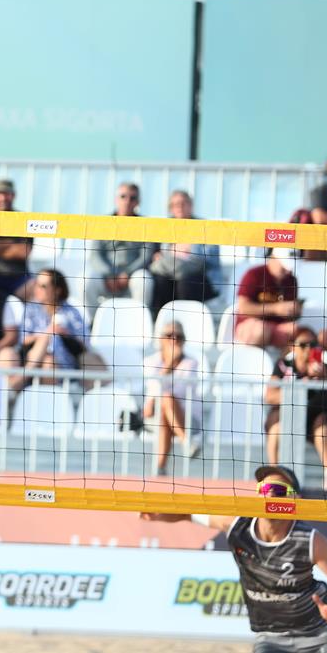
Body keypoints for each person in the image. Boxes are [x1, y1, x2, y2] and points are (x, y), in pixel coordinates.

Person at [141, 466, 327, 653]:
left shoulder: (310, 540)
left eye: (278, 490)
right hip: (272, 636)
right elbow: (187, 514)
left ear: (295, 500)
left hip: (317, 629)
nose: (269, 495)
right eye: (264, 489)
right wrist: (157, 514)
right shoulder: (237, 526)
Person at [265, 326, 327, 475]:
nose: (308, 349)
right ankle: (274, 475)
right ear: (293, 347)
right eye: (303, 345)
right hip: (287, 416)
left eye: (312, 345)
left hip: (314, 419)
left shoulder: (325, 369)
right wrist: (298, 389)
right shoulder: (282, 366)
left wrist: (325, 378)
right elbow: (270, 396)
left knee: (323, 427)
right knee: (276, 427)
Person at [142, 320, 201, 475]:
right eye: (169, 335)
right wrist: (169, 363)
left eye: (178, 337)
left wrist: (156, 398)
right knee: (165, 406)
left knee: (166, 402)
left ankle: (159, 469)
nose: (174, 340)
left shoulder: (191, 363)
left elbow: (181, 392)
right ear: (161, 339)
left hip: (187, 419)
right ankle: (186, 442)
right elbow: (154, 386)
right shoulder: (150, 361)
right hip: (154, 418)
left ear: (184, 341)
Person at [147, 190, 220, 315]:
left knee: (186, 282)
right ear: (170, 208)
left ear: (190, 205)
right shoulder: (163, 227)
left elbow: (211, 260)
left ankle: (186, 319)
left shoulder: (205, 226)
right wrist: (173, 253)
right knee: (160, 280)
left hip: (199, 278)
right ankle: (161, 320)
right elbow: (155, 255)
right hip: (169, 275)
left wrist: (191, 249)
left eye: (183, 203)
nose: (180, 207)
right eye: (175, 204)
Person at [84, 182, 154, 311]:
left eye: (132, 198)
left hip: (132, 277)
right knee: (86, 280)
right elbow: (95, 254)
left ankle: (140, 319)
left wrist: (127, 273)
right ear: (116, 199)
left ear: (138, 202)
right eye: (123, 196)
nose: (127, 201)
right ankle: (92, 320)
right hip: (106, 277)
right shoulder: (103, 223)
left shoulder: (146, 224)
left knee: (144, 280)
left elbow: (146, 256)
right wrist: (109, 274)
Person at [17, 269, 89, 391]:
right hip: (36, 361)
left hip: (67, 366)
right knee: (48, 356)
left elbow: (85, 345)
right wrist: (47, 333)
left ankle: (20, 381)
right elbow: (23, 340)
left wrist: (66, 334)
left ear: (57, 290)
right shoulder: (30, 309)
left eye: (43, 286)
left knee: (49, 362)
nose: (37, 289)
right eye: (36, 284)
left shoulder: (72, 312)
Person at [236, 248, 302, 348]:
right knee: (260, 330)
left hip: (277, 328)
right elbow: (243, 308)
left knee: (301, 335)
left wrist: (295, 311)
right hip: (250, 325)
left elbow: (290, 318)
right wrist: (275, 309)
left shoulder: (291, 280)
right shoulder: (254, 274)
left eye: (290, 268)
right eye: (284, 267)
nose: (288, 271)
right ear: (273, 258)